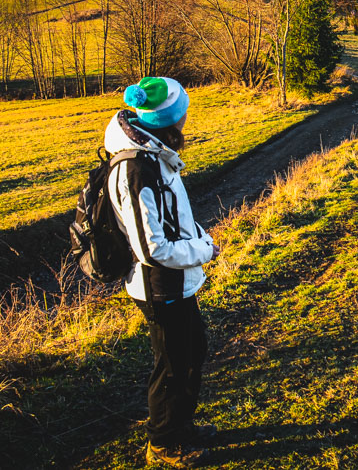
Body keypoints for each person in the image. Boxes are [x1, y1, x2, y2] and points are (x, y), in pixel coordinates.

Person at [105, 76, 219, 468]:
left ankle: (181, 427)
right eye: (183, 111)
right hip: (159, 284)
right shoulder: (137, 169)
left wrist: (198, 239)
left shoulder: (155, 154)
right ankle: (165, 443)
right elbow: (151, 248)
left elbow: (173, 220)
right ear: (172, 119)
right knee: (171, 366)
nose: (188, 117)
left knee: (192, 352)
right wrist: (203, 249)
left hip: (179, 279)